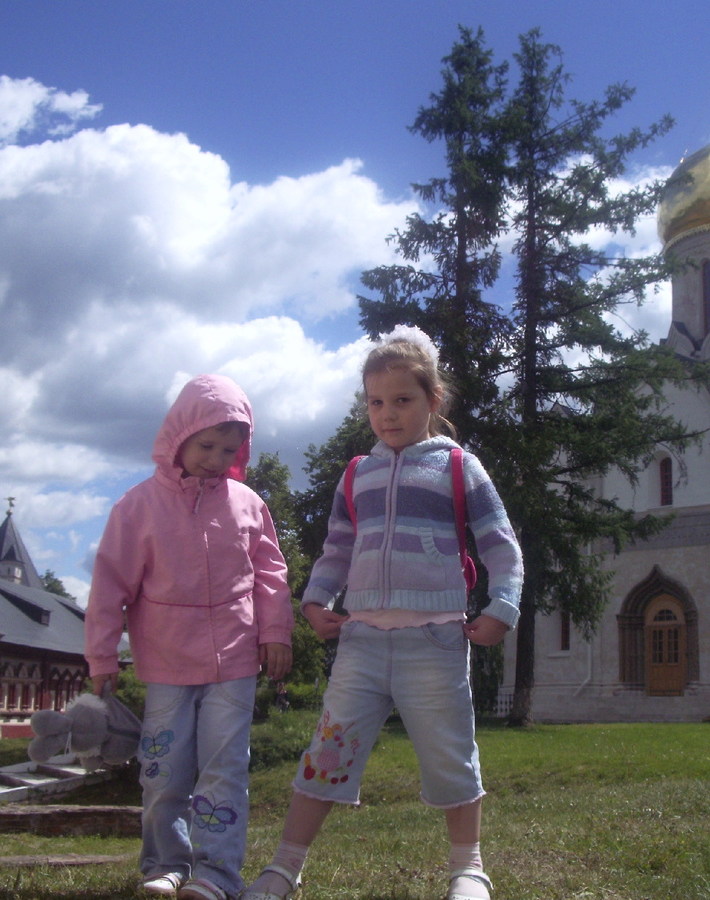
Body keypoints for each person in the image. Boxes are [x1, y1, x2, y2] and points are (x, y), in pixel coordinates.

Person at [241, 326, 523, 900]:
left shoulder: (458, 467)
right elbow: (337, 547)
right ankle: (284, 868)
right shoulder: (356, 474)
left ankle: (468, 869)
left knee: (451, 756)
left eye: (402, 400)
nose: (388, 414)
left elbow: (500, 543)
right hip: (362, 642)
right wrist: (315, 599)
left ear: (432, 400)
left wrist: (504, 605)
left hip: (436, 642)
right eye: (375, 402)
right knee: (325, 753)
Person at [84, 374, 294, 900]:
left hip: (235, 661)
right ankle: (165, 863)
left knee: (225, 769)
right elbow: (109, 585)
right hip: (167, 664)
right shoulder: (137, 507)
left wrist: (276, 632)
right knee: (163, 771)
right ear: (179, 436)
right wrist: (102, 657)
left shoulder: (249, 505)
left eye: (229, 449)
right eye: (206, 445)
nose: (216, 458)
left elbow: (270, 575)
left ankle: (216, 874)